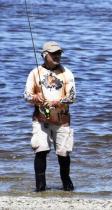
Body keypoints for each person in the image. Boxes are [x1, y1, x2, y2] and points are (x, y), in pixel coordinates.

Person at [24, 41, 76, 192]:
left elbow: (72, 97)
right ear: (44, 55)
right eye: (54, 54)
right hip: (40, 119)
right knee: (41, 150)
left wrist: (58, 101)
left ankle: (67, 185)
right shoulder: (34, 73)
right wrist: (35, 98)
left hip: (62, 121)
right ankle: (40, 188)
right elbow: (26, 95)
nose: (57, 56)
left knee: (63, 153)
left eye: (59, 53)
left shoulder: (67, 73)